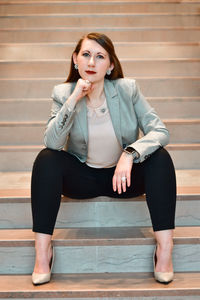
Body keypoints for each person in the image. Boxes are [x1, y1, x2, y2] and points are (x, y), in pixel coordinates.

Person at [31, 32, 176, 285]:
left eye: (100, 57)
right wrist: (75, 97)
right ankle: (43, 253)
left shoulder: (127, 89)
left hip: (123, 179)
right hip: (82, 178)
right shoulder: (63, 92)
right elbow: (52, 143)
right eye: (85, 55)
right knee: (46, 159)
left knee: (161, 158)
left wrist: (130, 154)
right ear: (75, 59)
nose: (91, 63)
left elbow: (160, 131)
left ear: (110, 66)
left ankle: (165, 250)